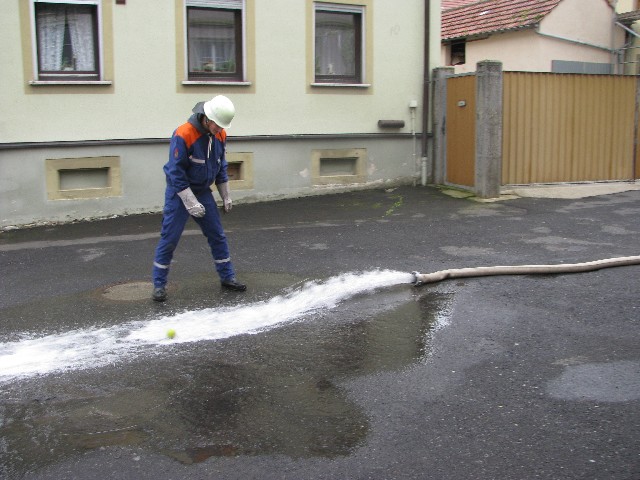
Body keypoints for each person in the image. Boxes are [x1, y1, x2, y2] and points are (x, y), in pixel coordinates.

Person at [151, 95, 246, 302]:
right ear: (207, 118)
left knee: (217, 235)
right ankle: (159, 285)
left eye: (222, 127)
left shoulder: (220, 134)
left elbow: (221, 165)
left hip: (203, 191)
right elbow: (175, 173)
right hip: (179, 193)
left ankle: (227, 277)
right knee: (169, 238)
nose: (220, 130)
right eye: (217, 125)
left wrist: (226, 195)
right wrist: (190, 201)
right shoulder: (183, 134)